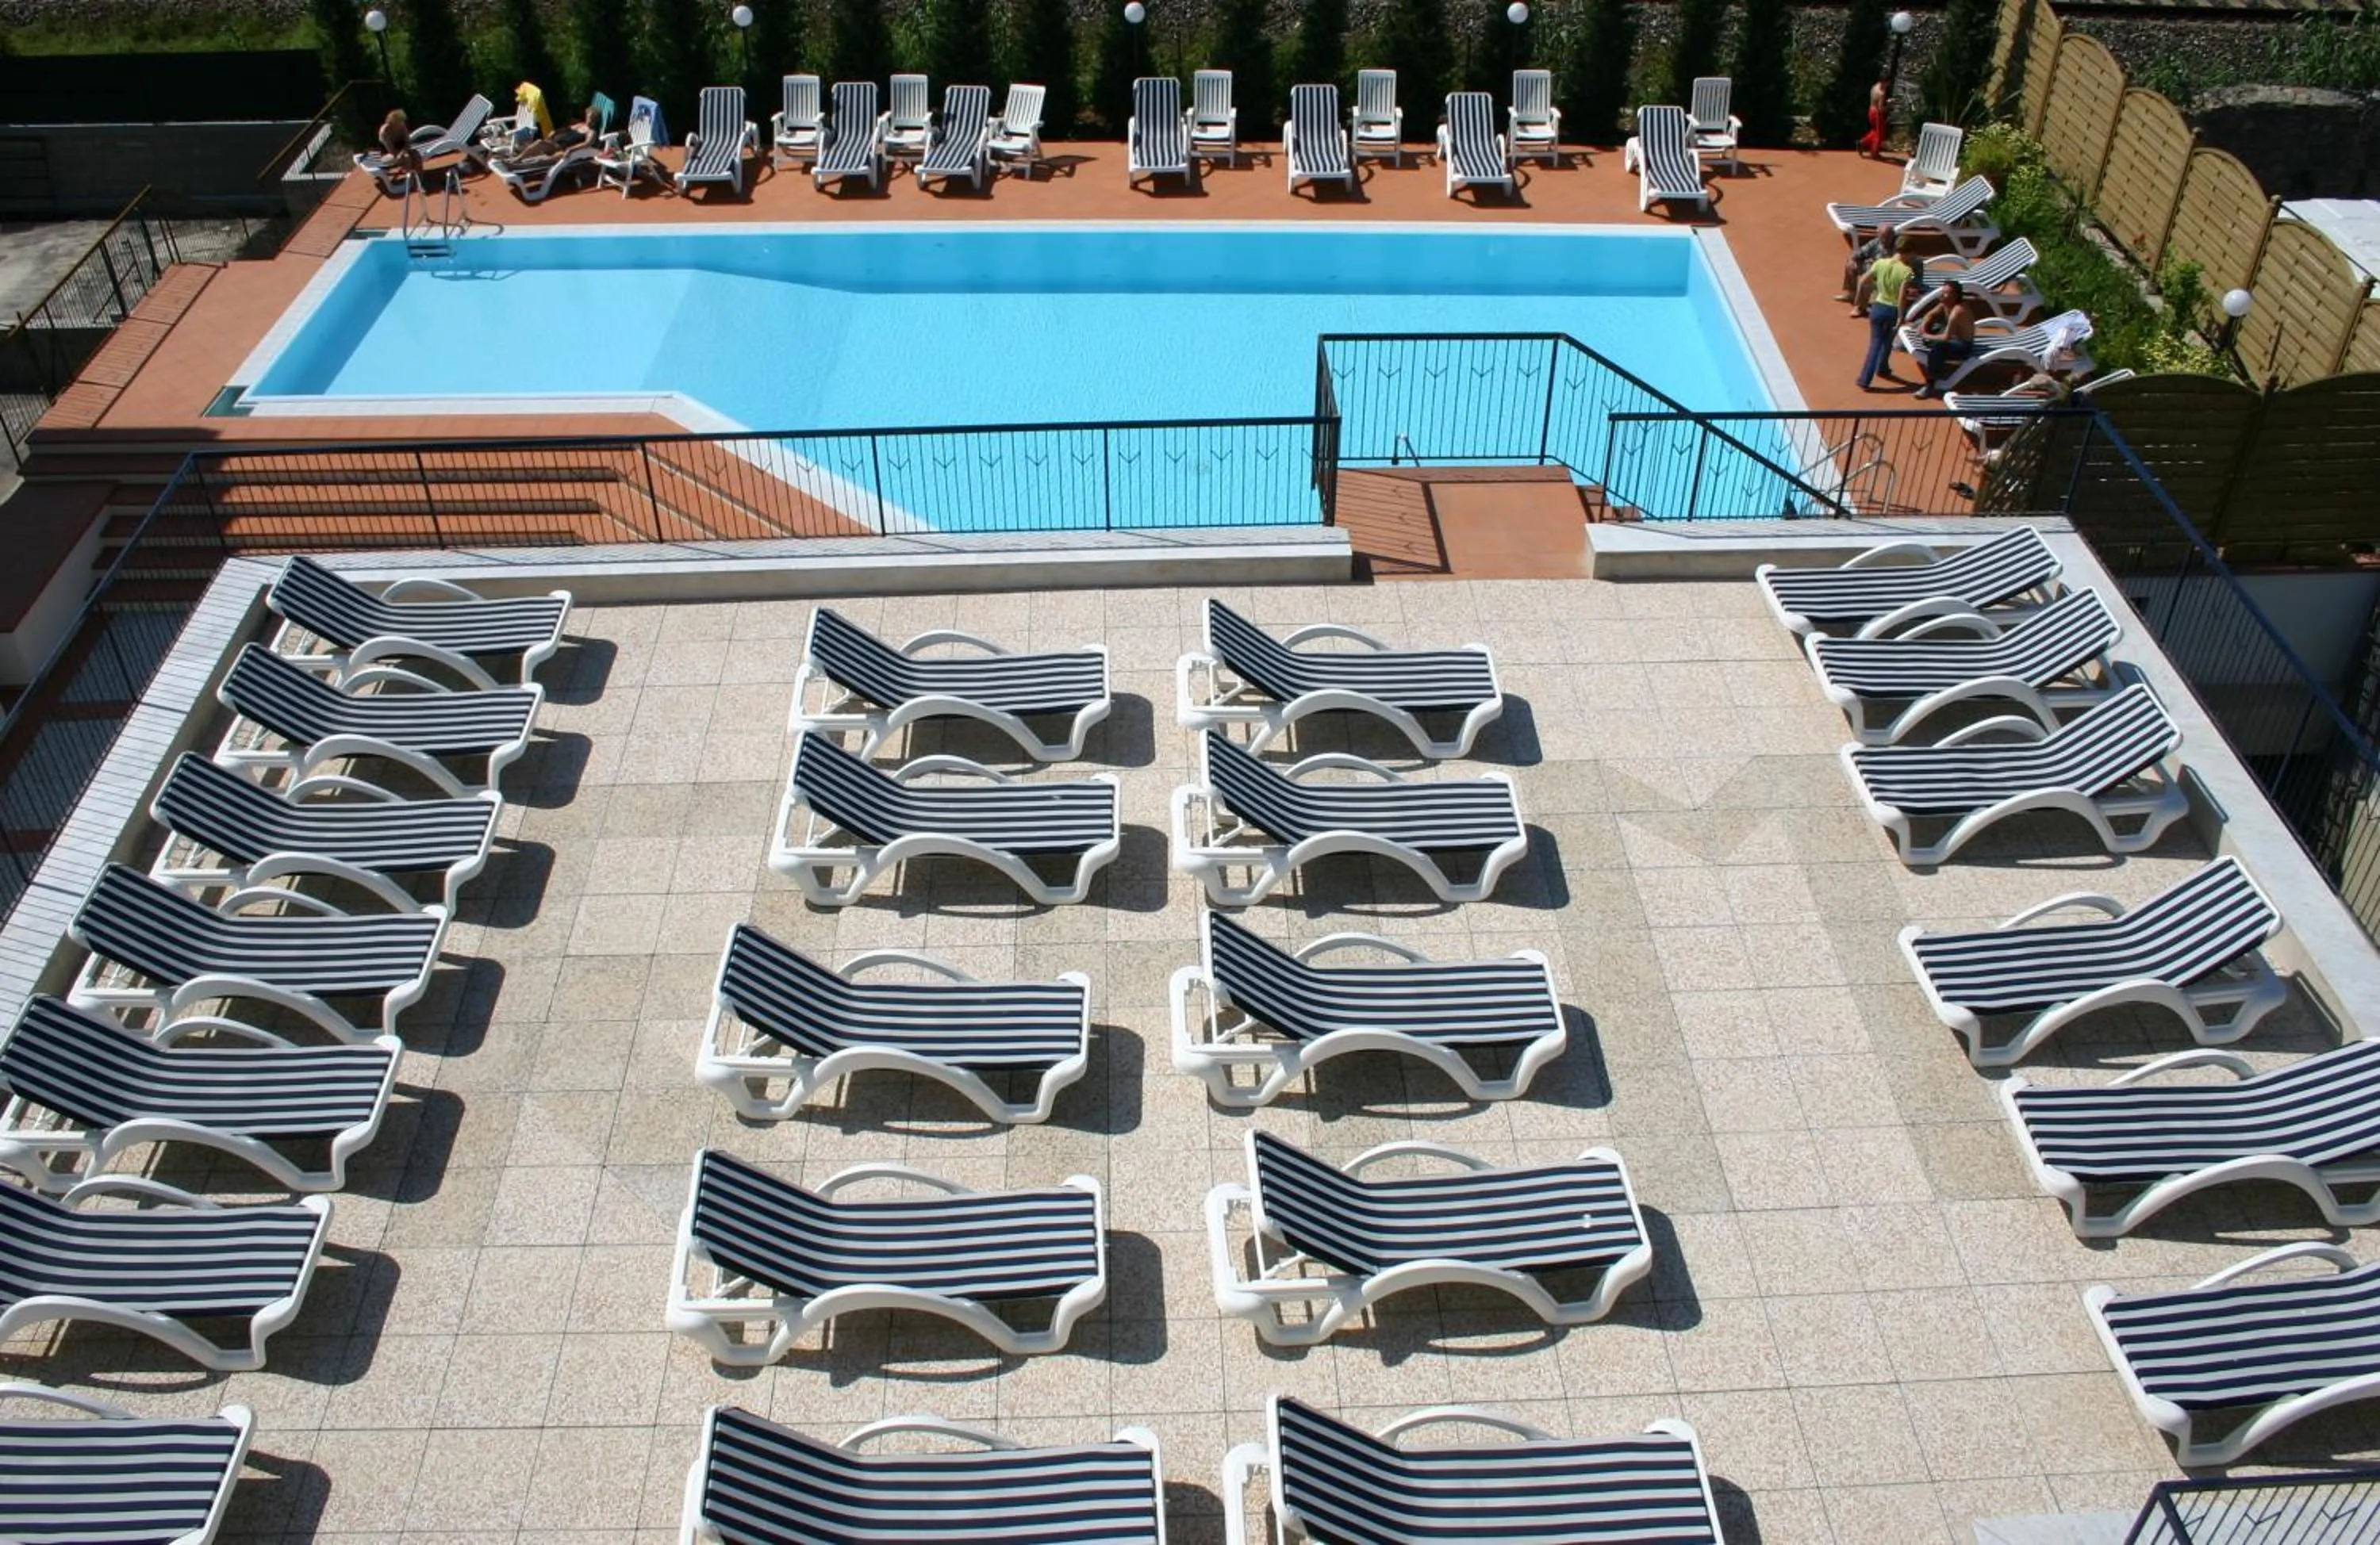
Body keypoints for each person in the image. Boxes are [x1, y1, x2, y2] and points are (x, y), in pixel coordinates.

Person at [1853, 238, 1917, 392]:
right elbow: (1902, 296)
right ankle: (1865, 378)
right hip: (1892, 309)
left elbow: (1863, 281)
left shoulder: (1880, 263)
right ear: (1908, 252)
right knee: (1881, 342)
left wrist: (1858, 300)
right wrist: (1902, 316)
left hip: (1878, 306)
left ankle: (1882, 368)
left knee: (1882, 340)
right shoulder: (1907, 272)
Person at [1914, 282, 1979, 398]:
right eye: (1942, 292)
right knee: (1921, 322)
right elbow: (1929, 315)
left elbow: (1946, 337)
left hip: (1962, 346)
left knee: (1938, 348)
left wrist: (1925, 335)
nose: (1942, 295)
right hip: (1952, 337)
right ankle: (1928, 340)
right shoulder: (1945, 303)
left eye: (1946, 293)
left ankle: (1930, 385)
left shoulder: (1958, 310)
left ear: (1955, 295)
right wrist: (1924, 327)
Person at [1837, 225, 1900, 307]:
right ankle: (1851, 295)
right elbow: (1859, 253)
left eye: (1888, 238)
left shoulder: (1898, 246)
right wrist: (1853, 260)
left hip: (1886, 273)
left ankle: (1861, 305)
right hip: (1871, 268)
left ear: (1893, 236)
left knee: (1866, 280)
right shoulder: (1875, 242)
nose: (1884, 240)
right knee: (1850, 265)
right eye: (1882, 238)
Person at [376, 109, 424, 179]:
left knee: (416, 154)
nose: (402, 122)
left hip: (403, 151)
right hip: (387, 155)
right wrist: (403, 153)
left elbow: (408, 142)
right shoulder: (385, 132)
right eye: (400, 120)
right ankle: (411, 181)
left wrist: (404, 151)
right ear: (393, 121)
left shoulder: (402, 126)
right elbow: (391, 151)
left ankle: (420, 179)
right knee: (407, 158)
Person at [1857, 77, 1888, 158]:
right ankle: (1874, 153)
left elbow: (1875, 101)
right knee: (1879, 134)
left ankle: (1862, 142)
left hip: (1871, 111)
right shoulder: (1882, 93)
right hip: (1877, 114)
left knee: (1875, 131)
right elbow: (1881, 108)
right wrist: (1889, 107)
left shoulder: (1874, 87)